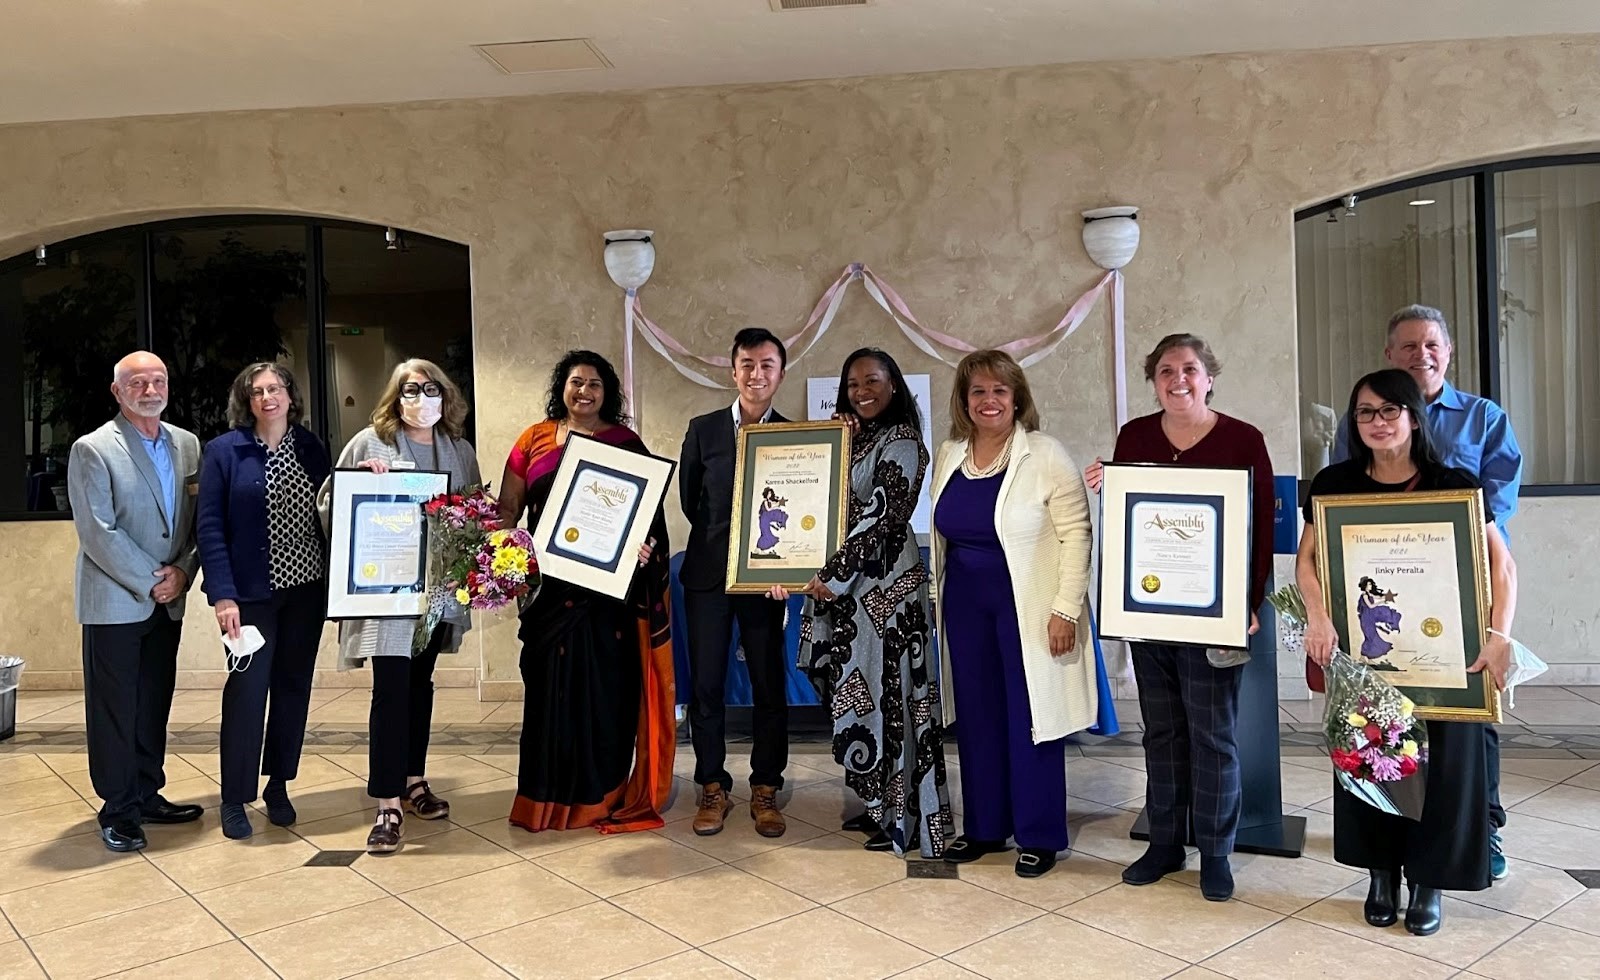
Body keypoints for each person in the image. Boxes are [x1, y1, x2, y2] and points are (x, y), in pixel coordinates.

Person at [1298, 367, 1516, 937]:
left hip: (1448, 658)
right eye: (1365, 412)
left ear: (1414, 417)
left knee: (1443, 767)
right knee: (1372, 755)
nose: (1377, 422)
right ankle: (1380, 875)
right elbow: (1307, 562)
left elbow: (1502, 566)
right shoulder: (1333, 483)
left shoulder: (1455, 481)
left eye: (1389, 410)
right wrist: (1318, 617)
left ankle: (1428, 883)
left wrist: (1498, 636)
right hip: (1367, 658)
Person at [1331, 304, 1523, 880]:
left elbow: (1498, 506)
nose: (1422, 354)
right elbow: (1343, 510)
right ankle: (1388, 851)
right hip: (1381, 597)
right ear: (1391, 353)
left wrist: (1480, 601)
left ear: (1449, 351)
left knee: (1465, 725)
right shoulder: (1360, 422)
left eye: (1432, 345)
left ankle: (1480, 829)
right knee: (1382, 725)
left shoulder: (1482, 417)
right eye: (1409, 346)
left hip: (1460, 591)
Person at [1084, 333, 1274, 902]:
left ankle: (1216, 852)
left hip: (1214, 617)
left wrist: (1249, 601)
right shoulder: (1135, 436)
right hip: (1149, 612)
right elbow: (1128, 521)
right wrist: (1106, 484)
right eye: (1166, 371)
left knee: (1212, 736)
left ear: (1209, 376)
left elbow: (1259, 528)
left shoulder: (1244, 439)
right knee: (1162, 731)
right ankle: (1165, 842)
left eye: (1189, 369)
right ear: (1154, 381)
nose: (1178, 380)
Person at [930, 350, 1117, 878]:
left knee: (1033, 718)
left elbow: (1077, 534)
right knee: (978, 716)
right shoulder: (950, 453)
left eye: (999, 391)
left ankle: (1038, 834)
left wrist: (1065, 610)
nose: (989, 401)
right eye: (978, 392)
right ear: (964, 402)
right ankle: (985, 828)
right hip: (965, 603)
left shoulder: (1046, 454)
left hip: (1029, 604)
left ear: (1017, 399)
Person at [773, 347, 954, 858]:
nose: (862, 391)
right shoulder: (856, 440)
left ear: (894, 385)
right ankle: (880, 803)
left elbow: (881, 520)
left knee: (893, 699)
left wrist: (831, 576)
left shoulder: (904, 443)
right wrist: (834, 444)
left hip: (885, 595)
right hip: (850, 598)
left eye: (872, 380)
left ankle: (906, 816)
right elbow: (820, 505)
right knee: (864, 696)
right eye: (853, 383)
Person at [497, 350, 674, 834]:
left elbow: (649, 519)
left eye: (595, 385)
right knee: (548, 696)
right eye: (577, 382)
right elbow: (508, 510)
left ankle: (601, 798)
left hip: (606, 597)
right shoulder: (532, 441)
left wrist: (645, 547)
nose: (585, 392)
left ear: (607, 394)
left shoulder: (625, 443)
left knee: (605, 697)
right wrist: (503, 559)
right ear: (563, 387)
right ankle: (542, 802)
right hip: (548, 595)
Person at [327, 359, 480, 854]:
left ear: (445, 396)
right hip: (386, 594)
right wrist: (366, 483)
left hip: (435, 594)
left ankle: (415, 780)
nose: (421, 398)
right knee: (391, 690)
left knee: (420, 687)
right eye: (410, 390)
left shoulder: (459, 450)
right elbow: (331, 505)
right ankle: (387, 803)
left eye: (430, 389)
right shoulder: (368, 443)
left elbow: (475, 512)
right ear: (395, 397)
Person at [67, 351, 205, 853]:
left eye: (158, 380)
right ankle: (119, 808)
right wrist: (152, 581)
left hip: (169, 598)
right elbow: (97, 532)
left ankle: (147, 793)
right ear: (118, 392)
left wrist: (184, 571)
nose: (150, 390)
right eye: (138, 383)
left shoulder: (188, 446)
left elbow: (196, 520)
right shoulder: (94, 449)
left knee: (153, 701)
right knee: (115, 708)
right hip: (117, 601)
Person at [197, 362, 331, 841]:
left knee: (293, 688)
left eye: (275, 388)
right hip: (249, 599)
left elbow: (334, 503)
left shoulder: (311, 448)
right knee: (247, 693)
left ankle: (278, 784)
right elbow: (209, 527)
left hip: (306, 593)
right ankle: (235, 797)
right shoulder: (223, 452)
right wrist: (222, 594)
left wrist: (369, 473)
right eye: (257, 391)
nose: (267, 397)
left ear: (290, 395)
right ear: (246, 400)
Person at [679, 328, 792, 838]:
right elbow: (689, 501)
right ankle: (712, 786)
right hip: (708, 579)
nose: (757, 374)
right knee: (706, 686)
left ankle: (766, 787)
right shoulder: (702, 430)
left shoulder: (797, 437)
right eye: (747, 364)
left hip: (766, 582)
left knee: (769, 684)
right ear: (733, 371)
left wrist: (785, 567)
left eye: (767, 365)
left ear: (780, 374)